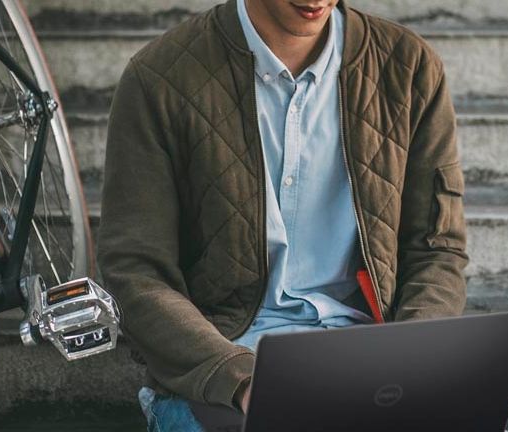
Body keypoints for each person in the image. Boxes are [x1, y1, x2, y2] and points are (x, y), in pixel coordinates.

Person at [97, 0, 469, 429]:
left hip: (370, 362)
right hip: (223, 367)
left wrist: (409, 356)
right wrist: (240, 379)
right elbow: (136, 271)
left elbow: (436, 248)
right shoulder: (159, 78)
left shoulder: (409, 67)